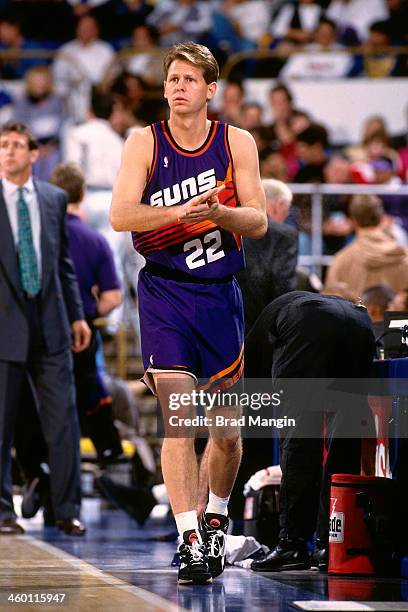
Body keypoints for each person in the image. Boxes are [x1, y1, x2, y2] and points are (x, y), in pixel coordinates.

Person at [110, 42, 267, 584]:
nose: (177, 87)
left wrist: (220, 212)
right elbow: (120, 215)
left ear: (209, 88)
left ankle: (217, 517)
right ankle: (189, 538)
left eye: (188, 79)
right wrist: (179, 212)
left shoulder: (236, 142)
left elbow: (259, 221)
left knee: (224, 430)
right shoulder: (144, 142)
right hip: (165, 292)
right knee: (180, 418)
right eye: (171, 78)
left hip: (220, 291)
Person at [0, 121, 91, 536]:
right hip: (5, 323)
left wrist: (77, 315)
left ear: (34, 154)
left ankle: (67, 508)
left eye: (18, 145)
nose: (10, 152)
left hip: (51, 322)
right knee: (2, 425)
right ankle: (4, 511)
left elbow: (64, 266)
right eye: (4, 145)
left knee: (64, 423)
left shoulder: (54, 199)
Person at [245, 291, 375, 572]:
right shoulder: (270, 322)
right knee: (344, 438)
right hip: (360, 320)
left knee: (299, 440)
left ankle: (292, 545)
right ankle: (331, 544)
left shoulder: (245, 353)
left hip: (307, 321)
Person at [325, 195, 408, 296]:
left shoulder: (340, 262)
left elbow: (331, 306)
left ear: (353, 220)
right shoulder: (404, 256)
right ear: (381, 217)